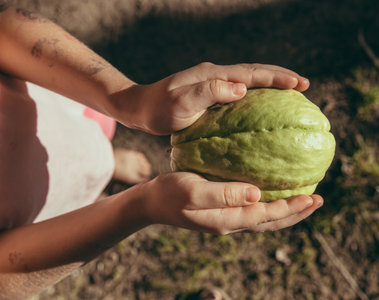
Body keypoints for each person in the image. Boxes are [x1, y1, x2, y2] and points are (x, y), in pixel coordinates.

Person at [0, 3, 324, 299]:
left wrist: (128, 101)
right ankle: (102, 168)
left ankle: (107, 159)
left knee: (88, 140)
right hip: (37, 214)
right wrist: (142, 205)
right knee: (82, 177)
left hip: (50, 102)